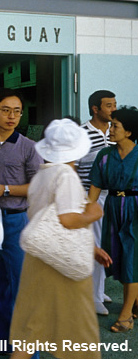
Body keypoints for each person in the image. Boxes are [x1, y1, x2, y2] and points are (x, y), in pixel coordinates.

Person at [9, 119, 110, 359]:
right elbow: (67, 220)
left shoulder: (43, 175)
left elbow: (49, 220)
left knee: (31, 328)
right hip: (64, 263)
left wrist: (92, 245)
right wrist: (93, 212)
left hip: (39, 257)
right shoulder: (67, 175)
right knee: (79, 331)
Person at [0, 88, 42, 355]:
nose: (12, 116)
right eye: (5, 110)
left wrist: (7, 189)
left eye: (17, 111)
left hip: (16, 221)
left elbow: (39, 186)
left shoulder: (28, 147)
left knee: (20, 286)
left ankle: (27, 350)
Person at [89, 105, 138, 333]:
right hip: (112, 208)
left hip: (135, 209)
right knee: (118, 257)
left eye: (115, 126)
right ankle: (135, 303)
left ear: (129, 131)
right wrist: (86, 212)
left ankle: (126, 315)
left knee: (131, 258)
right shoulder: (104, 155)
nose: (110, 129)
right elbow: (96, 186)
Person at [76, 90, 116, 315]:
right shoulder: (82, 133)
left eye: (114, 104)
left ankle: (99, 290)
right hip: (88, 195)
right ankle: (93, 297)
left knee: (106, 244)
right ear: (95, 109)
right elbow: (74, 165)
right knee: (94, 245)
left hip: (110, 194)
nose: (113, 109)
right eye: (109, 105)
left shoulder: (115, 131)